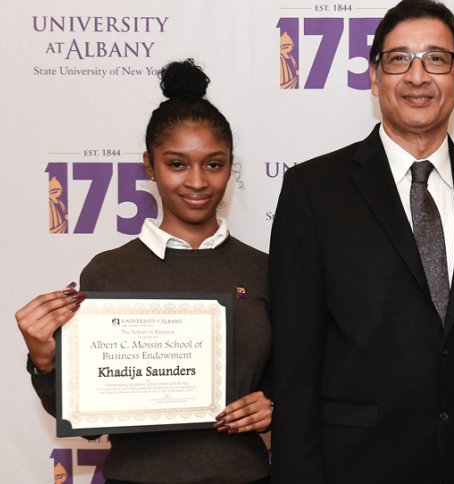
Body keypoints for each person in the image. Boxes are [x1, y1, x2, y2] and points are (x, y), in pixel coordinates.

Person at [269, 0, 454, 484]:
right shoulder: (313, 190)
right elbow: (294, 363)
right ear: (374, 77)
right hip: (354, 466)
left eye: (436, 59)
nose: (417, 76)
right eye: (398, 60)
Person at [15, 59, 273, 483]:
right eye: (176, 164)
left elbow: (295, 380)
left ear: (230, 166)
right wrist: (44, 360)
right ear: (149, 166)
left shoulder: (261, 268)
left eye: (213, 164)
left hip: (244, 476)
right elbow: (89, 420)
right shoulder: (108, 272)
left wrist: (274, 406)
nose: (197, 182)